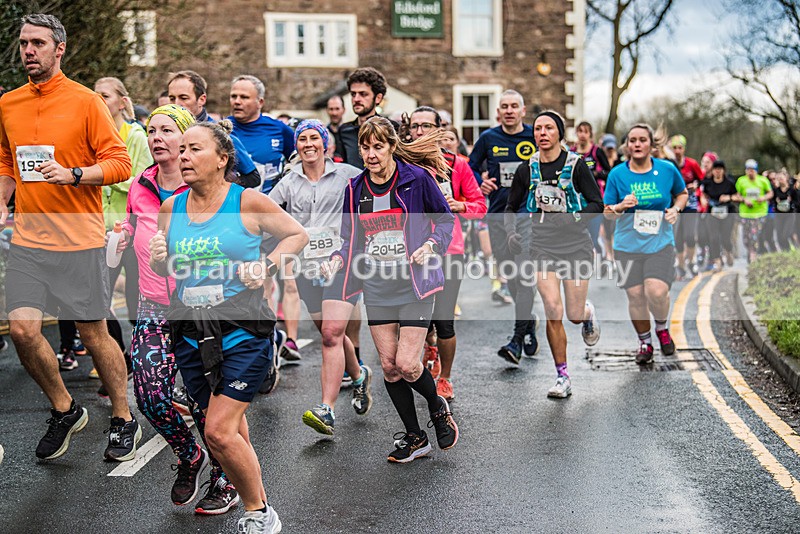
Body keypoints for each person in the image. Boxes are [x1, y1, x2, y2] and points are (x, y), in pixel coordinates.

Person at [149, 120, 307, 531]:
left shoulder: (247, 202)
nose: (183, 156)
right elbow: (166, 268)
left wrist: (266, 264)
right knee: (228, 427)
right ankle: (254, 495)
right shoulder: (171, 208)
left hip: (243, 329)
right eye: (182, 149)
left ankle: (260, 513)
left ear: (222, 159)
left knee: (217, 432)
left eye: (194, 149)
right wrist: (158, 259)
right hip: (191, 333)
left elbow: (296, 235)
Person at [0, 13, 140, 461]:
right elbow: (6, 160)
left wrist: (74, 174)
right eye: (24, 43)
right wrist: (2, 200)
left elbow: (120, 164)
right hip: (28, 240)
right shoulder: (9, 103)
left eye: (38, 43)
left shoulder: (85, 102)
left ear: (59, 49)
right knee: (22, 330)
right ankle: (65, 408)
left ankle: (123, 417)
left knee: (93, 333)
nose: (29, 51)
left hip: (79, 241)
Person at [116, 104, 241, 514]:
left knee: (210, 400)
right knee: (150, 395)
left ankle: (224, 478)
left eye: (167, 130)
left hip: (202, 308)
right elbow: (136, 226)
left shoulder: (205, 189)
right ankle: (189, 455)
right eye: (151, 130)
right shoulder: (140, 185)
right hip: (154, 304)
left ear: (187, 141)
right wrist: (123, 235)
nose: (156, 138)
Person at [322, 116, 459, 463]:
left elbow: (445, 219)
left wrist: (431, 245)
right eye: (365, 147)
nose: (371, 154)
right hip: (377, 286)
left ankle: (436, 406)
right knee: (389, 366)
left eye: (378, 147)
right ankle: (415, 437)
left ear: (392, 147)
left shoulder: (416, 179)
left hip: (415, 284)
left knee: (408, 363)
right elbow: (349, 239)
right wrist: (336, 259)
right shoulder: (355, 189)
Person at [268, 119, 372, 434]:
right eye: (302, 139)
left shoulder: (348, 175)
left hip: (341, 262)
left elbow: (376, 191)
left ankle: (326, 409)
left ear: (325, 143)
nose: (308, 144)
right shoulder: (288, 181)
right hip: (306, 266)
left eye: (314, 138)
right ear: (296, 145)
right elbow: (266, 212)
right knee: (329, 333)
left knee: (330, 334)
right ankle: (359, 376)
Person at [505, 111, 603, 397]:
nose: (542, 133)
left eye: (549, 128)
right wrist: (511, 232)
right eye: (538, 128)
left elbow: (596, 203)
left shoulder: (576, 165)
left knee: (573, 314)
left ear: (560, 133)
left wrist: (572, 218)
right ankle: (563, 376)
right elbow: (510, 206)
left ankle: (587, 313)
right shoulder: (527, 168)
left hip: (575, 245)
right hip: (542, 245)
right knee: (552, 308)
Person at [406, 106, 487, 401]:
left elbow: (480, 205)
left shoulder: (457, 165)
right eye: (415, 126)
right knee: (418, 318)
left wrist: (460, 205)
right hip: (412, 250)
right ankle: (430, 348)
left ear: (439, 130)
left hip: (449, 249)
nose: (420, 131)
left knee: (444, 319)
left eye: (427, 126)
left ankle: (445, 378)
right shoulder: (402, 163)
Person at [604, 124, 688, 364]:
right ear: (627, 146)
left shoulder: (667, 169)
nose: (637, 144)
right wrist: (620, 206)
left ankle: (661, 328)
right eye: (632, 140)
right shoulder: (617, 174)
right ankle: (645, 342)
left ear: (652, 144)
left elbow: (682, 194)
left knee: (656, 291)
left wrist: (675, 209)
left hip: (659, 243)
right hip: (626, 246)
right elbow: (607, 212)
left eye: (642, 140)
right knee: (636, 296)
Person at [468, 89, 539, 363]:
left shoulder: (534, 135)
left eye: (514, 106)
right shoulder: (488, 138)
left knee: (524, 272)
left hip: (527, 213)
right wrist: (480, 182)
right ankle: (528, 320)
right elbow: (471, 167)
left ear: (523, 110)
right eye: (504, 107)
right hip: (499, 213)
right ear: (499, 112)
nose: (509, 111)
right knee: (510, 275)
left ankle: (517, 339)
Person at [167, 70, 260, 188]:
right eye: (172, 98)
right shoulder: (163, 133)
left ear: (202, 99)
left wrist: (221, 184)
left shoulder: (220, 133)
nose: (176, 104)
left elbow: (253, 178)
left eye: (183, 98)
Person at [228, 75, 295, 194]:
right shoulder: (220, 130)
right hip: (231, 202)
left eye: (244, 97)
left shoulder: (279, 129)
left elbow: (299, 162)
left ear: (260, 102)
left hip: (270, 201)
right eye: (234, 96)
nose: (237, 102)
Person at [336, 67, 391, 169]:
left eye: (363, 94)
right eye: (353, 94)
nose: (356, 99)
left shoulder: (391, 129)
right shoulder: (344, 131)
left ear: (378, 98)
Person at [669, 134, 704, 279]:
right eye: (674, 148)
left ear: (684, 149)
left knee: (690, 235)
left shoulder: (692, 164)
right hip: (675, 204)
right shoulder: (668, 165)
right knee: (677, 237)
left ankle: (691, 261)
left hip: (690, 203)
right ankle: (681, 266)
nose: (677, 151)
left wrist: (695, 185)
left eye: (680, 148)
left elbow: (702, 180)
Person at [701, 160, 738, 271]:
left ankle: (728, 251)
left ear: (723, 171)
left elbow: (738, 196)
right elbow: (703, 194)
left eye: (720, 169)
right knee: (714, 238)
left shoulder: (729, 183)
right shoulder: (707, 182)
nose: (717, 171)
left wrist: (728, 197)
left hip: (727, 212)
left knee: (726, 237)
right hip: (712, 213)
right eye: (715, 169)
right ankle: (717, 261)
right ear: (712, 171)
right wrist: (703, 200)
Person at [735, 159, 773, 263]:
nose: (750, 172)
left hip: (760, 213)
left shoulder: (763, 180)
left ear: (756, 170)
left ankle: (753, 254)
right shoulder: (741, 181)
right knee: (746, 238)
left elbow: (770, 193)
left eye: (752, 170)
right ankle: (750, 250)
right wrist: (744, 200)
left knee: (754, 235)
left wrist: (763, 198)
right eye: (748, 170)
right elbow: (737, 195)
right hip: (745, 213)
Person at [771, 170, 797, 251]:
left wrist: (791, 202)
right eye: (778, 178)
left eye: (781, 178)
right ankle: (785, 250)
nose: (780, 180)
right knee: (779, 236)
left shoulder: (792, 190)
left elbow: (797, 202)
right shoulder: (776, 190)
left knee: (785, 234)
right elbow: (772, 201)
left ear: (786, 178)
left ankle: (792, 247)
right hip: (779, 215)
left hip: (789, 215)